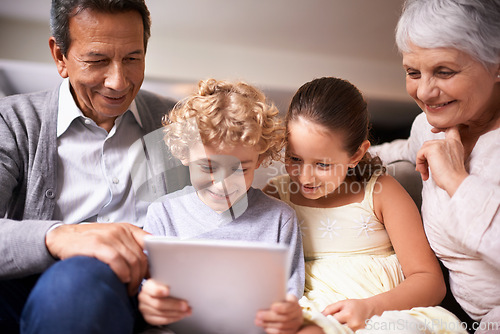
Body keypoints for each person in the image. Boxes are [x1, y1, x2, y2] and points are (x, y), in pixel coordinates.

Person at [0, 0, 187, 333]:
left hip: (149, 295)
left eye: (133, 58)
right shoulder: (12, 121)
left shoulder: (176, 123)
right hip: (38, 290)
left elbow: (222, 218)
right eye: (97, 60)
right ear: (60, 56)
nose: (118, 81)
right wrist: (57, 237)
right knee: (75, 281)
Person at [264, 77, 466, 333]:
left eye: (322, 164)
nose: (304, 177)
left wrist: (369, 307)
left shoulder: (381, 192)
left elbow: (429, 282)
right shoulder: (276, 195)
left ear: (356, 155)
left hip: (384, 312)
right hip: (315, 315)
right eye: (294, 158)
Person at [370, 0, 500, 332]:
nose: (425, 91)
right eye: (413, 72)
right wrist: (332, 157)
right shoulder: (428, 127)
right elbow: (399, 152)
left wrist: (457, 180)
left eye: (444, 71)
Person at [138, 78, 305, 334]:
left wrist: (289, 315)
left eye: (240, 168)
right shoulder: (163, 214)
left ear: (259, 159)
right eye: (207, 167)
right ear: (184, 154)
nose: (223, 184)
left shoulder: (280, 219)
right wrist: (149, 301)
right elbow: (146, 288)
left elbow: (291, 298)